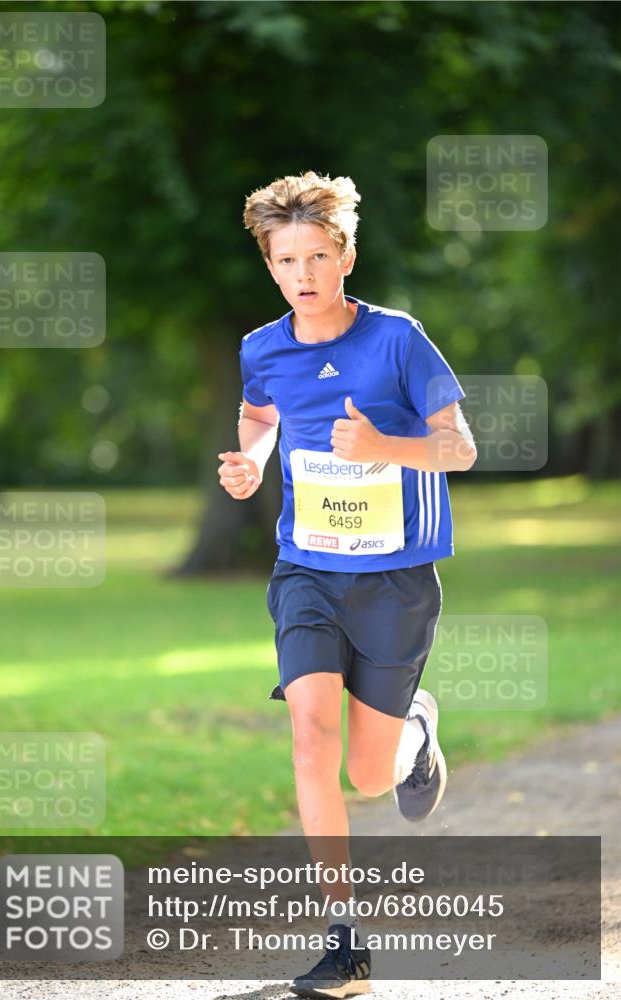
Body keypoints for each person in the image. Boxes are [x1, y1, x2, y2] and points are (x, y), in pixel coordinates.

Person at [218, 171, 476, 999]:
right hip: (307, 571)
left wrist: (381, 449)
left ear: (346, 256)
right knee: (308, 734)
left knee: (368, 776)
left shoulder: (398, 340)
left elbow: (458, 449)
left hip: (396, 581)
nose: (303, 272)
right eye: (286, 258)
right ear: (269, 264)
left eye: (318, 255)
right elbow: (260, 412)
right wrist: (249, 461)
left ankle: (414, 735)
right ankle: (345, 942)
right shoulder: (262, 347)